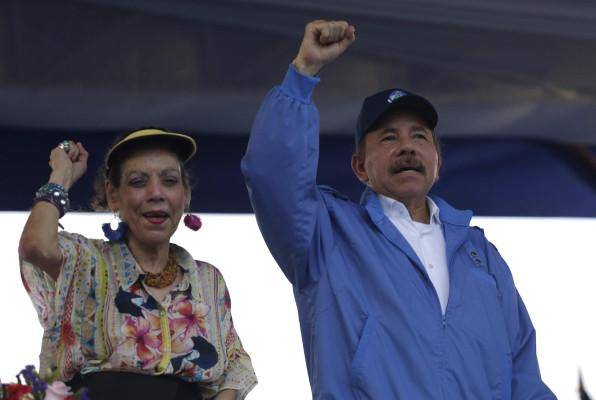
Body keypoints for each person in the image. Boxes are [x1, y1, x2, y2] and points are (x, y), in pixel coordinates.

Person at [241, 20, 555, 399]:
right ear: (360, 167)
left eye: (419, 137)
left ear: (437, 162)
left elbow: (523, 373)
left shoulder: (481, 255)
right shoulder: (326, 235)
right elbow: (271, 174)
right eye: (389, 137)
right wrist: (302, 73)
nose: (406, 147)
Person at [19, 129, 257, 400]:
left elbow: (235, 369)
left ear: (185, 194)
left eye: (169, 181)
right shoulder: (86, 262)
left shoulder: (207, 279)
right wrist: (61, 176)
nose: (156, 193)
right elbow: (35, 245)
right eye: (138, 182)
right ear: (113, 196)